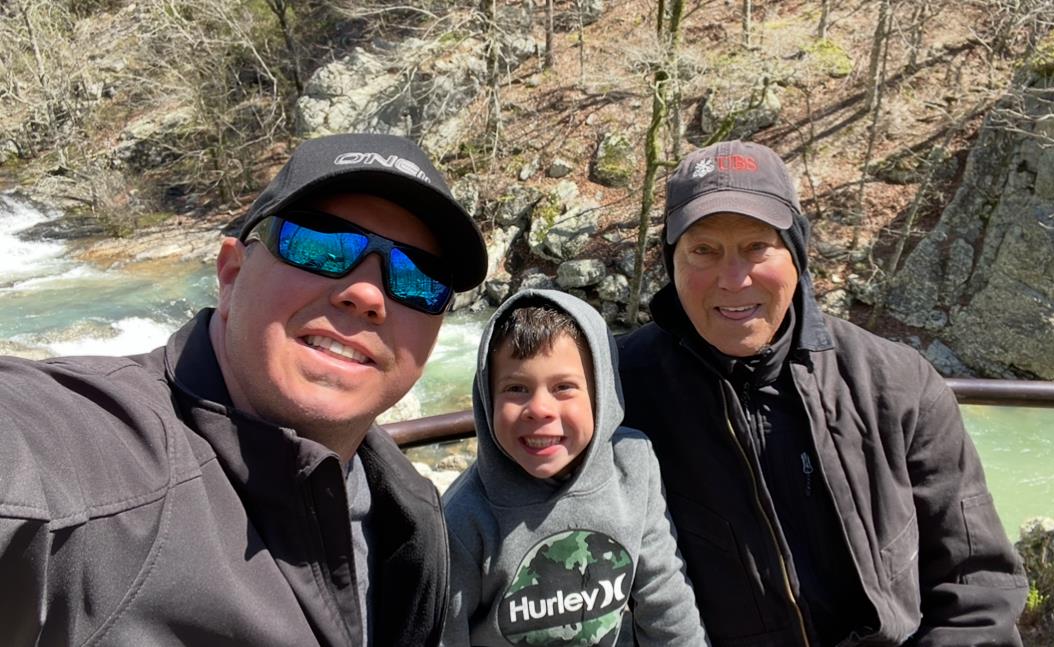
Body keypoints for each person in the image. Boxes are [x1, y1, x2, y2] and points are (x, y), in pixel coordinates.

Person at [0, 133, 487, 646]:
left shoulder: (410, 511)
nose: (367, 294)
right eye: (321, 245)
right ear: (231, 275)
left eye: (418, 279)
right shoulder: (95, 457)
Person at [616, 140, 1029, 646]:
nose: (734, 279)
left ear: (797, 253)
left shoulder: (897, 383)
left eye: (757, 247)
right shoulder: (614, 391)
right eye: (704, 250)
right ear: (671, 261)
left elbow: (976, 587)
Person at [442, 288, 708, 647]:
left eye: (563, 387)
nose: (540, 409)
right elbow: (445, 633)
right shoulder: (462, 517)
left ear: (602, 394)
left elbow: (664, 596)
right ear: (487, 399)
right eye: (516, 388)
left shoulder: (632, 466)